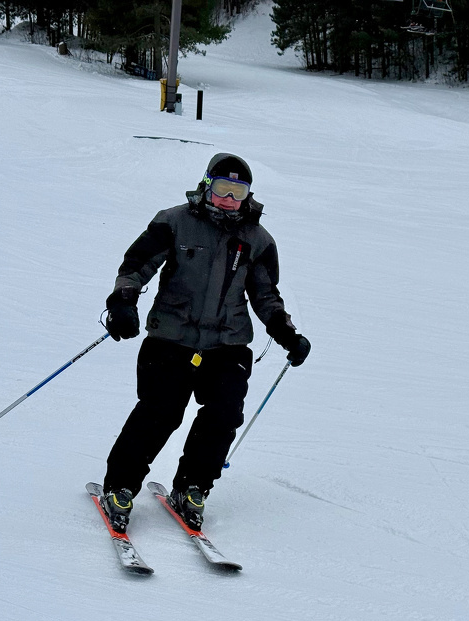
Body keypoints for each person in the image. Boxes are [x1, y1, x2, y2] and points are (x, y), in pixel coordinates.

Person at [99, 153, 311, 533]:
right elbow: (136, 266)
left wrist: (287, 333)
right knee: (160, 411)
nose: (229, 199)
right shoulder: (173, 221)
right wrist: (122, 302)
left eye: (238, 192)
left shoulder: (258, 240)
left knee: (223, 415)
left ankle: (192, 488)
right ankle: (119, 487)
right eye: (223, 188)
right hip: (171, 337)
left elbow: (266, 295)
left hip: (228, 344)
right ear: (207, 185)